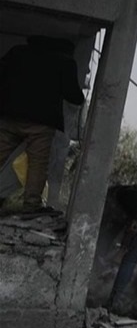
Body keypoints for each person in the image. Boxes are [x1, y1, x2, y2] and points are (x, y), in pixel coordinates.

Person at [0, 36, 85, 215]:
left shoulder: (17, 52)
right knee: (37, 164)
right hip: (41, 123)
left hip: (10, 115)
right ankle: (31, 206)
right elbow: (74, 96)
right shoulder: (65, 62)